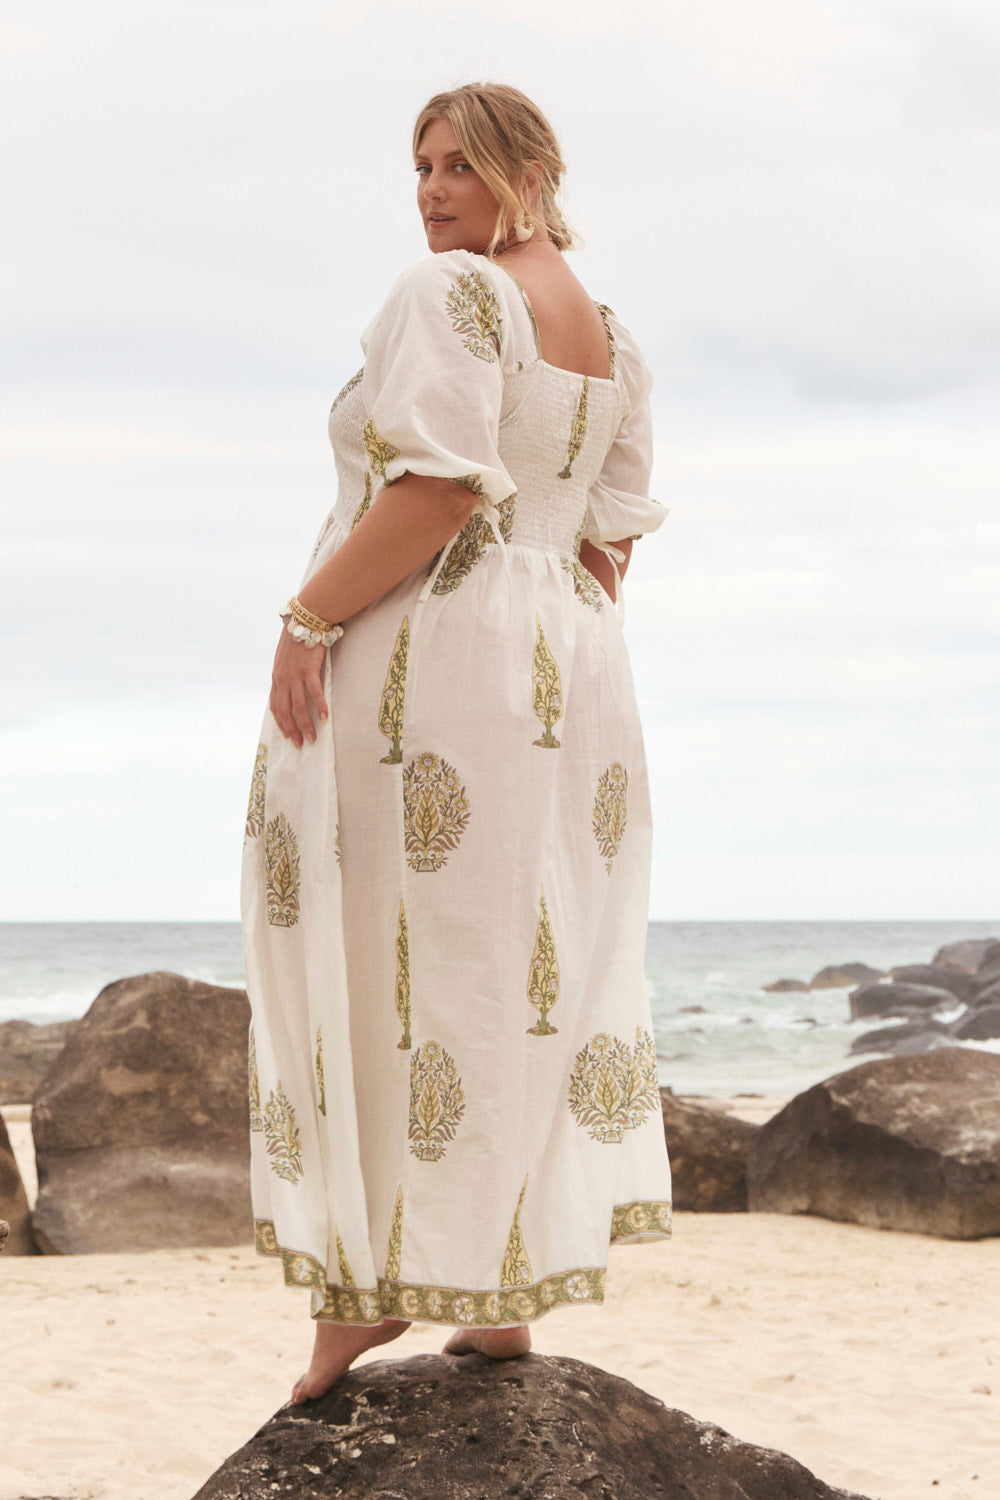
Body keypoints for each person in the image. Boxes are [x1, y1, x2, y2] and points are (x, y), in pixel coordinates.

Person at [240, 81, 672, 1406]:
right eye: (419, 167)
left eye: (460, 167)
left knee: (389, 960)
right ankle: (495, 1296)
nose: (432, 193)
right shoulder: (609, 337)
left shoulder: (453, 299)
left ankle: (363, 1299)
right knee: (511, 958)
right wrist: (549, 645)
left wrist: (309, 615)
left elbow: (431, 488)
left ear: (529, 171)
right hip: (570, 669)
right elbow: (607, 539)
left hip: (436, 656)